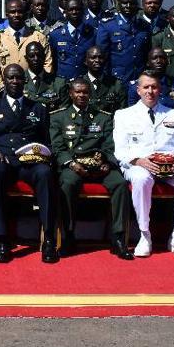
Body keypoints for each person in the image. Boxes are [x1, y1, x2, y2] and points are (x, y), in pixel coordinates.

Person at [113, 72, 174, 258]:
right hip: (140, 165)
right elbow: (120, 151)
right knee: (141, 178)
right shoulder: (123, 115)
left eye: (154, 87)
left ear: (160, 90)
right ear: (138, 90)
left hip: (170, 167)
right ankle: (145, 235)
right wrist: (140, 161)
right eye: (146, 87)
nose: (150, 91)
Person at [0, 64, 57, 264]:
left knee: (45, 173)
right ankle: (3, 240)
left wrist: (41, 153)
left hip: (29, 163)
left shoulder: (38, 108)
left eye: (19, 78)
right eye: (11, 78)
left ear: (25, 81)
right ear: (3, 81)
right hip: (3, 160)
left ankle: (48, 239)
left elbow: (46, 141)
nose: (15, 82)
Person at [51, 79, 131, 260]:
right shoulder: (58, 117)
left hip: (99, 165)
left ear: (90, 94)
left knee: (119, 183)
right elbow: (57, 147)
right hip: (73, 165)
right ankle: (68, 236)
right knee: (67, 183)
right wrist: (71, 164)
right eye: (78, 92)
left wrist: (107, 162)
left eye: (85, 92)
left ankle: (118, 238)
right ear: (70, 94)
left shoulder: (103, 117)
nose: (81, 95)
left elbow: (110, 146)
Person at [95, 0, 151, 82]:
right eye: (125, 3)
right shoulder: (108, 26)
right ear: (119, 4)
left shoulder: (144, 26)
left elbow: (147, 54)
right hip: (117, 80)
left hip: (140, 79)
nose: (128, 6)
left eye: (132, 3)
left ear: (137, 5)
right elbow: (102, 55)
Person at [0, 0, 51, 87]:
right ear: (7, 15)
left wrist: (42, 84)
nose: (16, 15)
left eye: (20, 12)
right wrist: (1, 85)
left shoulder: (38, 37)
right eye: (12, 12)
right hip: (8, 88)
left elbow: (47, 63)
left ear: (26, 14)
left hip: (34, 88)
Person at [126, 47, 174, 116]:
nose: (158, 61)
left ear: (167, 61)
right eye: (154, 58)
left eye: (162, 58)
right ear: (148, 63)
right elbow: (132, 114)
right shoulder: (136, 87)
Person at [49, 0, 97, 81]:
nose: (74, 12)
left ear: (83, 11)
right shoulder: (55, 35)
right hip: (63, 84)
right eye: (71, 9)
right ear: (65, 12)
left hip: (85, 84)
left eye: (77, 9)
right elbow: (52, 61)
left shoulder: (93, 33)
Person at [22, 41, 69, 110]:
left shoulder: (58, 83)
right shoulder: (18, 82)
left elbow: (63, 113)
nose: (36, 59)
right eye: (32, 56)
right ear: (26, 58)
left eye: (39, 55)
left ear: (44, 57)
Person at [82, 46, 127, 115]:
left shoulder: (116, 84)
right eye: (93, 57)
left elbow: (123, 112)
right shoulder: (78, 84)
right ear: (85, 61)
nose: (97, 60)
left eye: (100, 57)